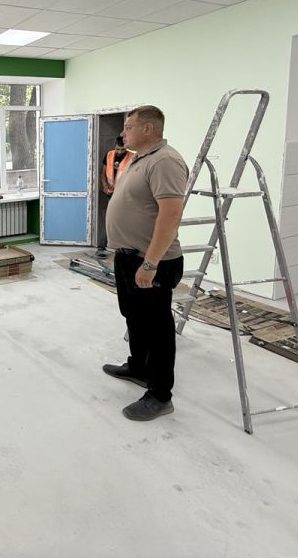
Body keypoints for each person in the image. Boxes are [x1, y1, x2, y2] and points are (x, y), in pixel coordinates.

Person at [102, 106, 188, 421]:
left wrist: (150, 264)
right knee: (134, 317)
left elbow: (171, 215)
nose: (123, 132)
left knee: (157, 328)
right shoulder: (139, 159)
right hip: (129, 257)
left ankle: (161, 395)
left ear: (148, 129)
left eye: (129, 127)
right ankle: (139, 367)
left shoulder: (165, 161)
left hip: (152, 261)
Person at [96, 134, 133, 258]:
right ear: (115, 146)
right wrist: (105, 186)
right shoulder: (109, 155)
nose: (120, 152)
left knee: (123, 220)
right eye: (118, 149)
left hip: (123, 195)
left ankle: (123, 248)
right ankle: (101, 247)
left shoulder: (132, 157)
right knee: (109, 219)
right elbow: (103, 173)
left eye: (123, 149)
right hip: (109, 193)